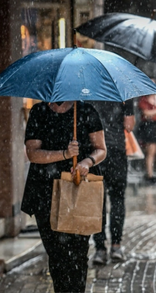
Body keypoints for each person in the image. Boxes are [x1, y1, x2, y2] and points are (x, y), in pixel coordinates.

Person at [22, 101, 106, 293]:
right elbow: (32, 153)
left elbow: (101, 149)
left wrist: (87, 161)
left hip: (78, 191)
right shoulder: (39, 111)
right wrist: (65, 154)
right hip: (45, 193)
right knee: (56, 255)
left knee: (77, 255)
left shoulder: (86, 111)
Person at [90, 99, 135, 265]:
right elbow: (129, 126)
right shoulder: (122, 94)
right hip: (116, 152)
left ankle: (100, 249)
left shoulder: (88, 91)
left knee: (97, 202)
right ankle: (116, 246)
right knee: (117, 199)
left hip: (94, 154)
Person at [137, 78, 156, 183]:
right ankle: (150, 175)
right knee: (151, 151)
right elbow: (146, 113)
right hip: (149, 126)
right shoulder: (144, 99)